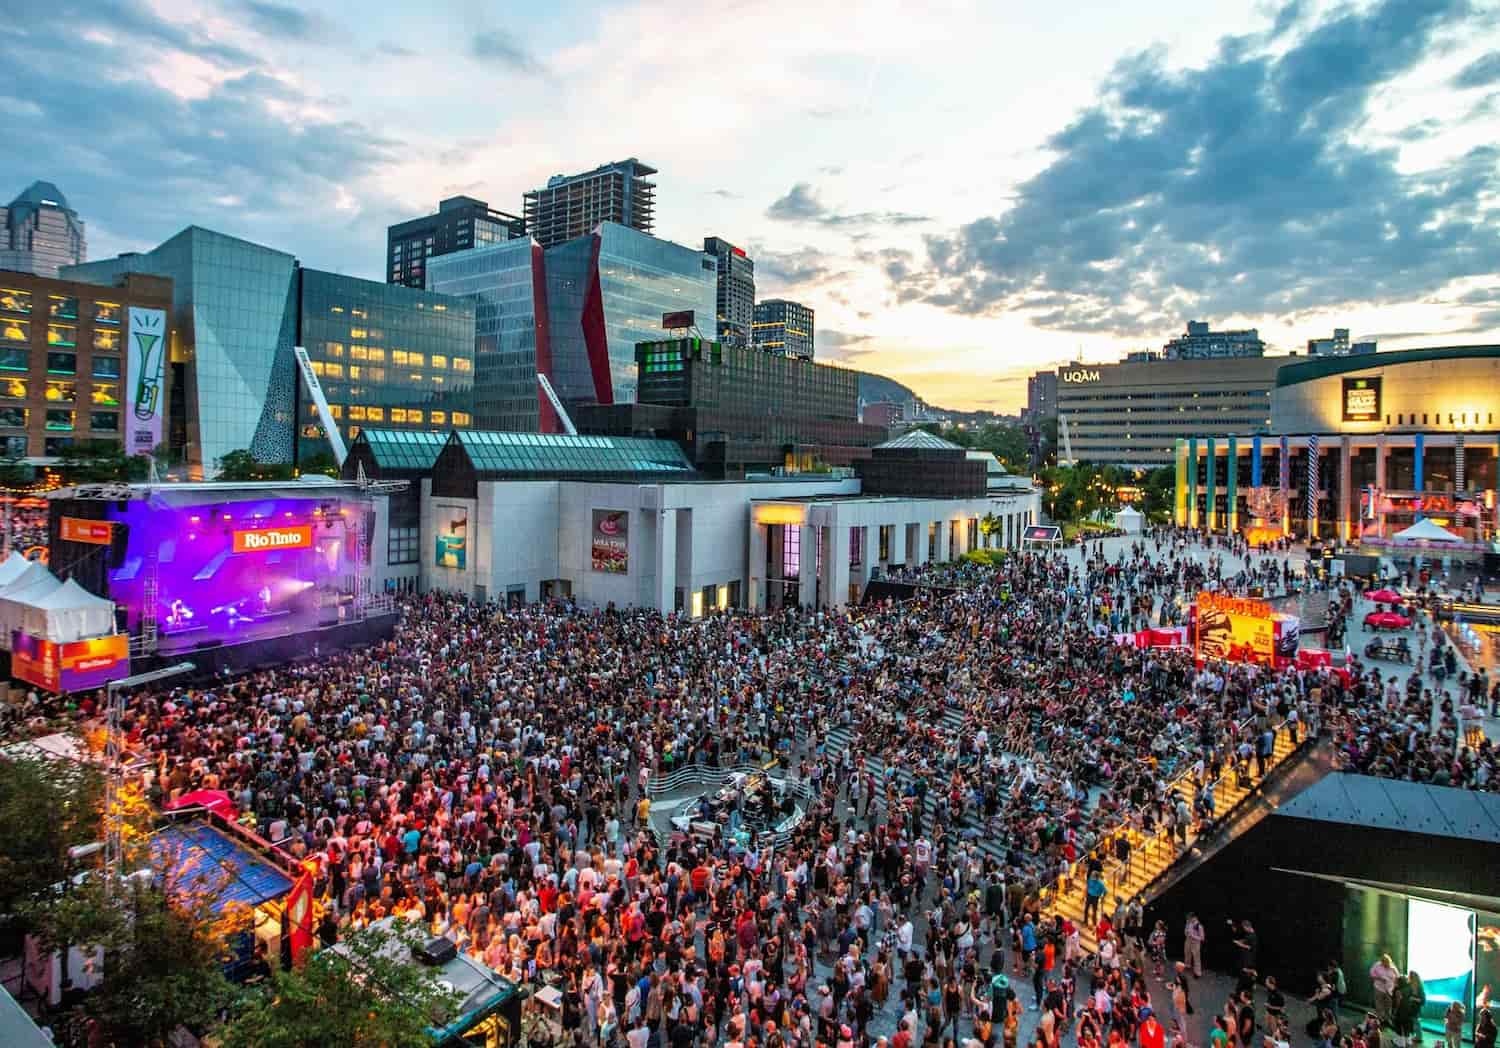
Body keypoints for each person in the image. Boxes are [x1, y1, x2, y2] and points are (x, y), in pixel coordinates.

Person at [1370, 955, 1400, 1028]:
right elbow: (1371, 974)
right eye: (1385, 964)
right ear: (1382, 962)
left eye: (1388, 963)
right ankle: (1380, 1020)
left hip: (1389, 990)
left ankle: (1387, 1019)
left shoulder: (1392, 967)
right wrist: (1379, 978)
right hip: (1379, 988)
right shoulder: (1377, 965)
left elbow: (1397, 977)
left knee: (1388, 1005)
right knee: (1379, 1005)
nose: (1386, 965)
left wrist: (1395, 984)